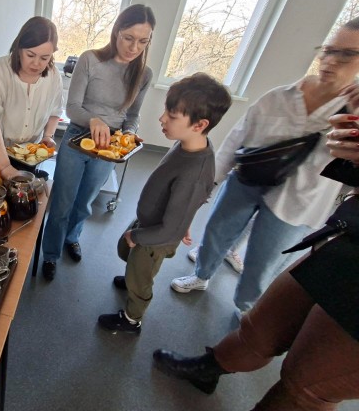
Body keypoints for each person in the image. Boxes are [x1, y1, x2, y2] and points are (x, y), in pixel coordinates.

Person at [152, 101, 359, 410]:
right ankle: (208, 369)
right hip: (347, 245)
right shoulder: (289, 97)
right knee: (261, 326)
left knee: (303, 386)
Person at [169, 17, 359, 314]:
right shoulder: (279, 97)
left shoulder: (355, 113)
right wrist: (206, 186)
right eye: (329, 50)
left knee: (263, 262)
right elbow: (236, 139)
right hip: (247, 181)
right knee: (218, 231)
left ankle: (245, 311)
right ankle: (201, 275)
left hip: (298, 202)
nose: (332, 60)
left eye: (346, 54)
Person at [97, 73, 232, 333]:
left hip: (158, 236)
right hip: (153, 221)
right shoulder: (187, 143)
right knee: (128, 255)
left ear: (199, 124)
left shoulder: (195, 172)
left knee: (141, 276)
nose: (162, 119)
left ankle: (132, 318)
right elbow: (191, 200)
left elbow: (174, 224)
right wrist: (185, 218)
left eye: (171, 116)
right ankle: (132, 276)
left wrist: (139, 235)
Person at [41, 4, 156, 281]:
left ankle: (72, 237)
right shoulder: (90, 59)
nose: (134, 47)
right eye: (128, 38)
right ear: (116, 32)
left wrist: (129, 133)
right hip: (76, 138)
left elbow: (133, 115)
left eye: (143, 41)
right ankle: (51, 253)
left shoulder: (144, 73)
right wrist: (93, 120)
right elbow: (73, 107)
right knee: (62, 202)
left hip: (108, 148)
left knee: (85, 202)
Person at [0, 16, 65, 180]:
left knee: (24, 186)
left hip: (30, 150)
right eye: (30, 55)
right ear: (19, 48)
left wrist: (48, 136)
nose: (36, 63)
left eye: (44, 58)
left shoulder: (53, 76)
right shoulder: (0, 69)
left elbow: (55, 111)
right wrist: (5, 167)